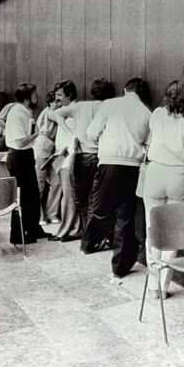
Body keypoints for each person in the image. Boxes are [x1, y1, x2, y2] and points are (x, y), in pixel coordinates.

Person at [81, 78, 152, 280]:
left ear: (124, 89)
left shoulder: (110, 105)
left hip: (109, 163)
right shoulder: (146, 113)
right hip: (133, 167)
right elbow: (147, 145)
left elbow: (91, 132)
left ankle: (112, 243)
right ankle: (120, 265)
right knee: (125, 214)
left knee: (101, 209)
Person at [140, 80, 184, 293]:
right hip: (178, 174)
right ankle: (164, 286)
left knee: (151, 227)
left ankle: (153, 285)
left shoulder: (156, 115)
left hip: (155, 171)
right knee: (173, 233)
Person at [51, 78, 116, 243]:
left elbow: (56, 114)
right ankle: (94, 236)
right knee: (97, 199)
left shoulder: (81, 106)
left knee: (81, 198)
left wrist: (69, 133)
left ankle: (88, 234)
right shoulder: (111, 107)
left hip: (83, 156)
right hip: (102, 157)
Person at [3, 82, 44, 244]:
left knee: (32, 195)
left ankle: (33, 229)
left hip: (25, 155)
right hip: (19, 156)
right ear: (27, 99)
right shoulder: (18, 113)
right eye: (35, 96)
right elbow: (20, 142)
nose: (37, 98)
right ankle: (17, 235)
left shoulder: (24, 111)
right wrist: (36, 135)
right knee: (21, 197)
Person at [44, 80, 84, 242]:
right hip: (62, 158)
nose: (57, 98)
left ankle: (70, 230)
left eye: (60, 95)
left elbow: (75, 139)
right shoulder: (64, 111)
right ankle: (70, 229)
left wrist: (66, 153)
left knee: (69, 196)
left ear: (70, 95)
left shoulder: (74, 113)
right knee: (68, 196)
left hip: (69, 158)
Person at [34, 87, 61, 224]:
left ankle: (52, 213)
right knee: (40, 183)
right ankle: (39, 215)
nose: (59, 104)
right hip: (43, 146)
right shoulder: (49, 112)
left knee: (57, 183)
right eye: (56, 101)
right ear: (50, 102)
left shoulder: (54, 111)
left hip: (52, 148)